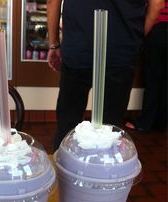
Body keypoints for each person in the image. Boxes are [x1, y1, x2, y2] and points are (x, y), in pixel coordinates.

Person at [47, 0, 147, 151]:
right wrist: (135, 37)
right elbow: (157, 3)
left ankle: (65, 169)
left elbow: (52, 2)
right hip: (122, 48)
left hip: (79, 44)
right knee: (110, 126)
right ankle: (104, 169)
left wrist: (53, 44)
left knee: (68, 121)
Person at [126, 0, 167, 132]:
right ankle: (161, 122)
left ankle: (145, 122)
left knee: (153, 79)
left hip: (159, 27)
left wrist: (141, 36)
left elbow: (157, 4)